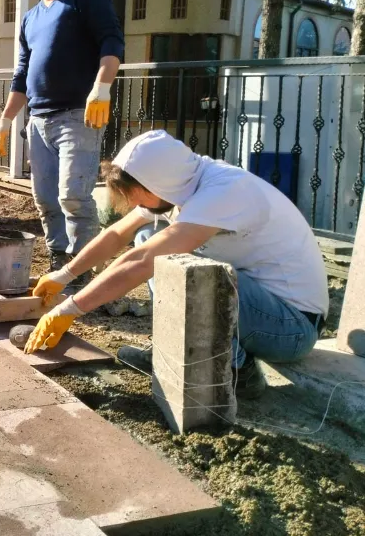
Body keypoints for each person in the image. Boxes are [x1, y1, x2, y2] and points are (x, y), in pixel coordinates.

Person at [22, 130, 328, 400]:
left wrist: (70, 308)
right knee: (148, 236)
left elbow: (142, 262)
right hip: (259, 307)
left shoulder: (223, 191)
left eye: (138, 196)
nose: (134, 204)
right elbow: (116, 234)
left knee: (183, 267)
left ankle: (237, 369)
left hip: (291, 328)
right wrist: (64, 274)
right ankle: (169, 348)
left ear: (158, 185)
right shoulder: (178, 183)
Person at [0, 0, 124, 282]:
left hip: (78, 117)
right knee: (47, 200)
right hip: (38, 121)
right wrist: (5, 121)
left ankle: (82, 273)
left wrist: (102, 87)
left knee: (73, 197)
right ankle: (59, 263)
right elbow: (22, 74)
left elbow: (112, 42)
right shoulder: (30, 19)